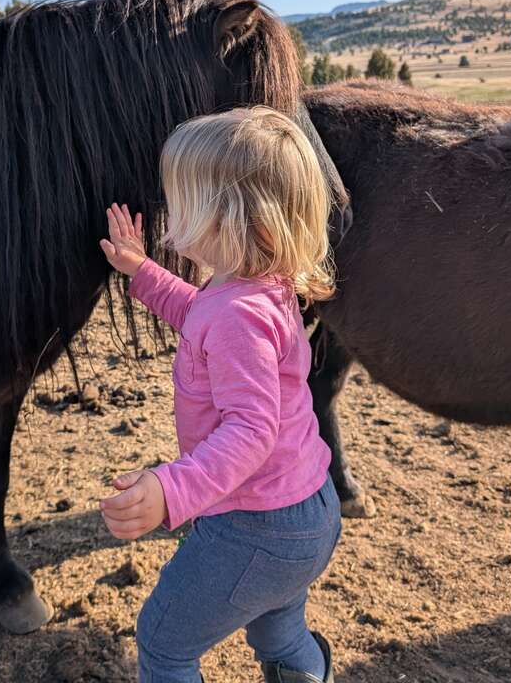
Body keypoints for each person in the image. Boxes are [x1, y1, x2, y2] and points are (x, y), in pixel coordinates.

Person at [98, 106, 341, 683]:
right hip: (306, 511)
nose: (169, 210)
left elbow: (251, 430)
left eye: (182, 198)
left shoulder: (237, 315)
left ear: (234, 219)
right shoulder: (253, 288)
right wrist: (143, 270)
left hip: (256, 526)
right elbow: (197, 314)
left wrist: (170, 486)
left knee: (163, 642)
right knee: (277, 630)